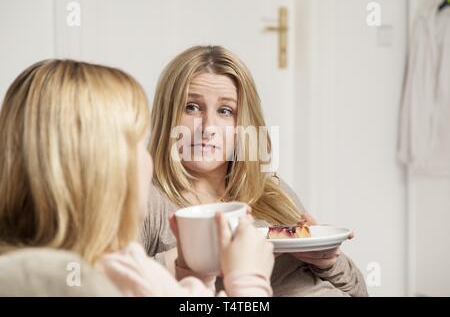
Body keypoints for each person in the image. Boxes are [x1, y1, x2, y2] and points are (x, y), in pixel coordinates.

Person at [0, 59, 274, 296]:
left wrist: (191, 273)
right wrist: (248, 282)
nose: (148, 157)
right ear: (98, 170)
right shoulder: (98, 281)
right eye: (135, 142)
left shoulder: (123, 264)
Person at [142, 45, 368, 296]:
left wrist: (329, 262)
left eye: (225, 111)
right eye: (192, 107)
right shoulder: (149, 199)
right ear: (167, 115)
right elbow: (109, 285)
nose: (208, 128)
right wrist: (192, 257)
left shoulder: (270, 190)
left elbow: (360, 291)